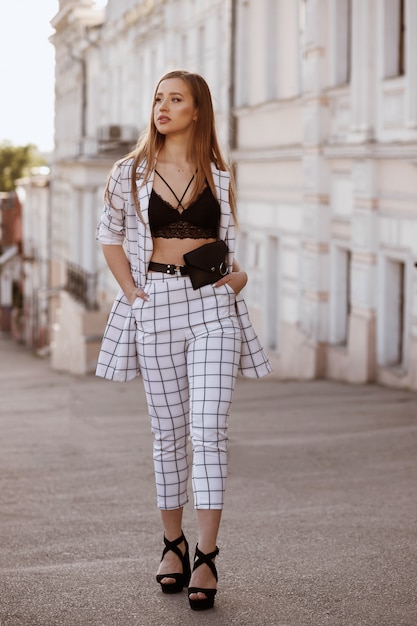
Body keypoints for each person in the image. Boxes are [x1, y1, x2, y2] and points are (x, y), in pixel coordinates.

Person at [95, 70, 272, 611]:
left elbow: (228, 253)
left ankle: (208, 555)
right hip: (156, 307)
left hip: (212, 309)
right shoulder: (129, 173)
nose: (163, 107)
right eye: (157, 98)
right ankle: (172, 544)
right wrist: (133, 295)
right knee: (169, 434)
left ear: (198, 111)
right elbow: (110, 237)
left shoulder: (219, 173)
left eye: (176, 99)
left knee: (210, 430)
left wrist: (237, 280)